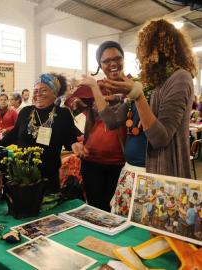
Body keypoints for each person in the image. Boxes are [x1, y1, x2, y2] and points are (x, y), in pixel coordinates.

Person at [100, 19, 197, 178]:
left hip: (157, 174)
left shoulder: (180, 78)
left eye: (144, 46)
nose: (140, 53)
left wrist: (138, 96)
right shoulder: (148, 83)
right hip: (131, 170)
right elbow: (113, 121)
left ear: (156, 47)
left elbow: (160, 138)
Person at [0, 73, 81, 193]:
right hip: (22, 173)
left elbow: (70, 139)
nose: (38, 94)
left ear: (54, 93)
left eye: (44, 90)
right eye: (35, 90)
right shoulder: (25, 112)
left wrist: (75, 145)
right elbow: (13, 134)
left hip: (48, 175)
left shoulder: (63, 114)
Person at [71, 41, 127, 212]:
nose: (112, 64)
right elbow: (66, 112)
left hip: (121, 163)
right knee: (95, 210)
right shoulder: (91, 88)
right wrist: (74, 141)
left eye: (117, 58)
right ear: (100, 65)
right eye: (106, 61)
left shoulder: (132, 87)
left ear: (124, 59)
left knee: (116, 214)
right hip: (91, 161)